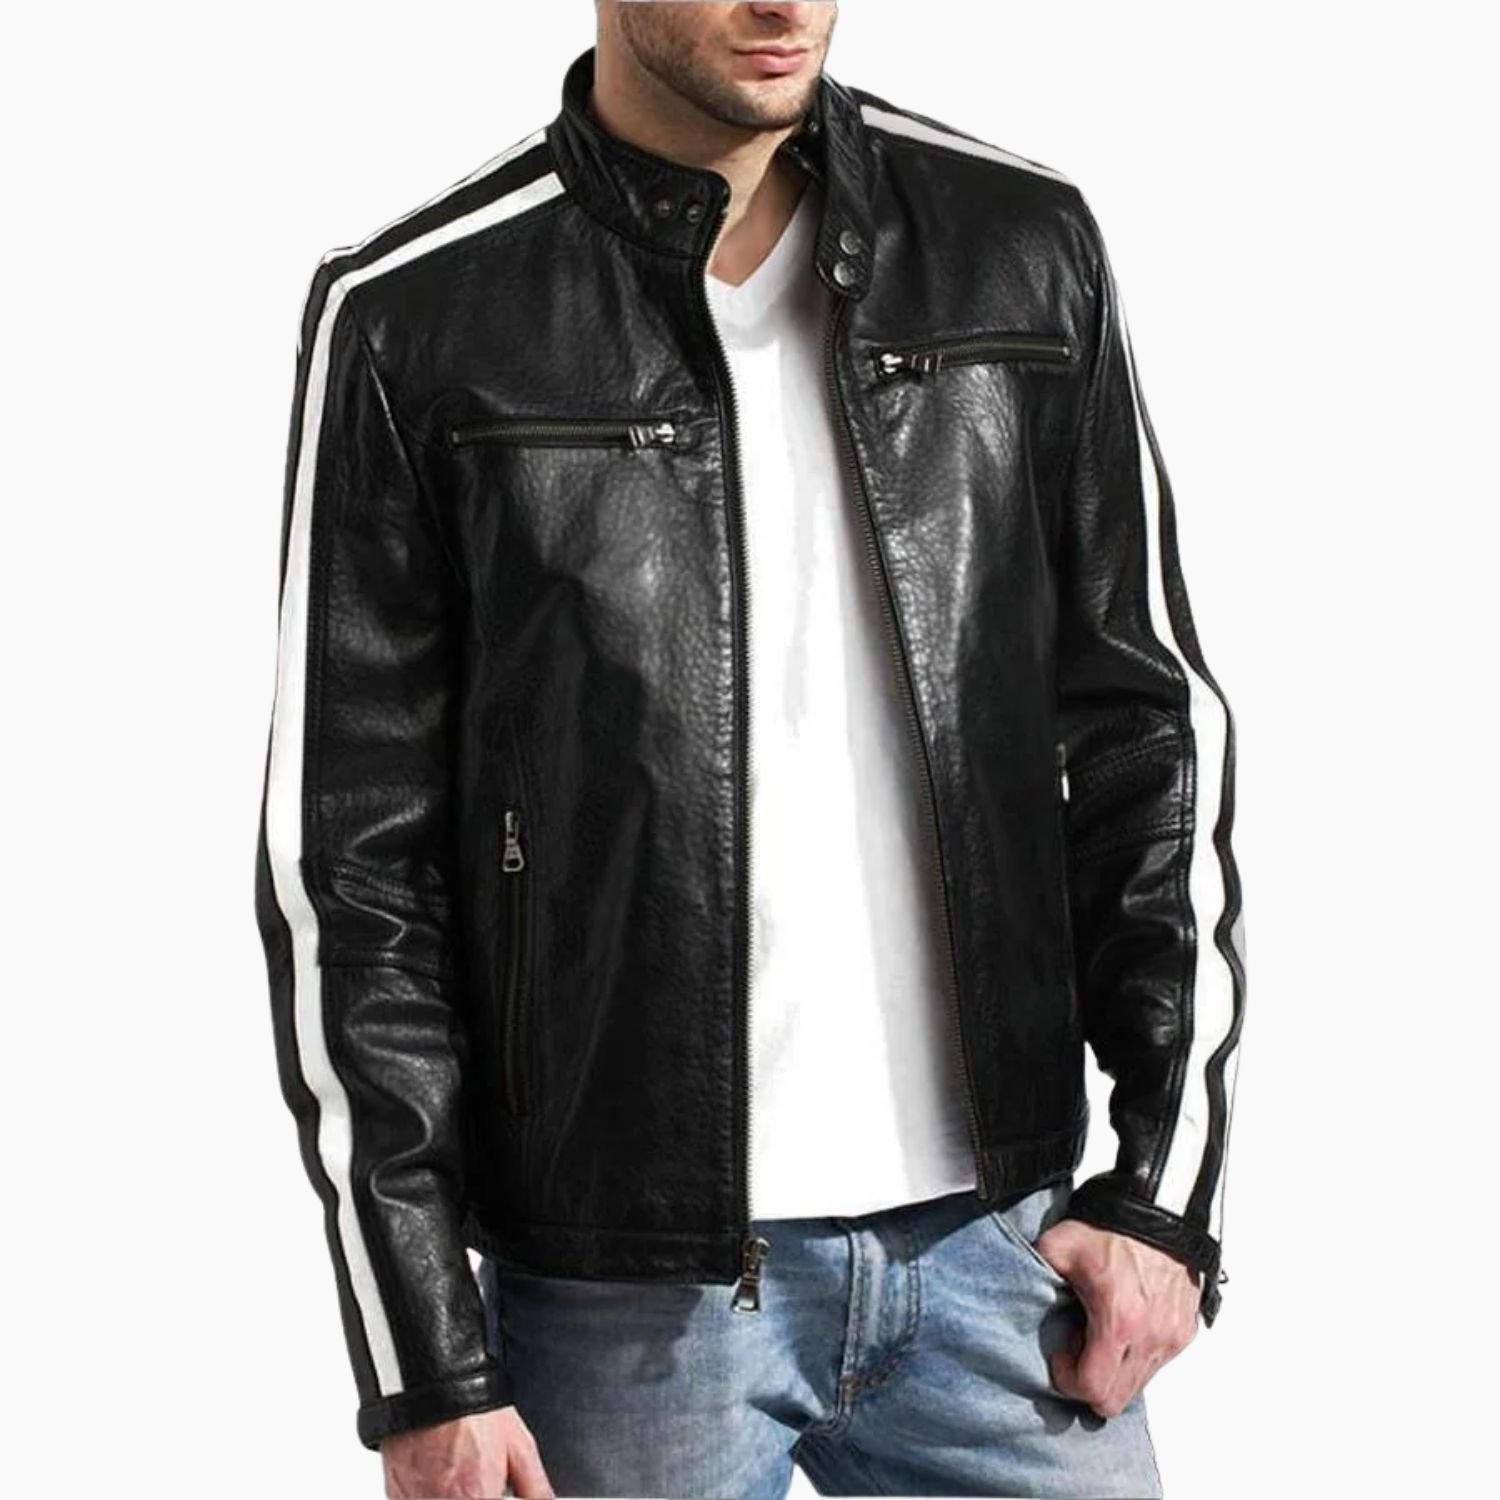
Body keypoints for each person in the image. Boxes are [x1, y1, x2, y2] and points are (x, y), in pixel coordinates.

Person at [253, 3, 1246, 1495]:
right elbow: (350, 869)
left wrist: (1162, 1195)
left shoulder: (1018, 245)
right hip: (622, 1295)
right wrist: (425, 1360)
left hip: (1000, 1257)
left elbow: (1146, 732)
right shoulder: (420, 312)